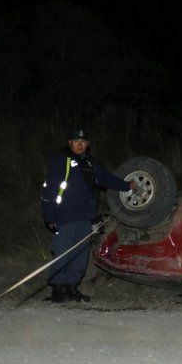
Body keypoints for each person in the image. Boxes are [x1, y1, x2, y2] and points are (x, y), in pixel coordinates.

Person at [41, 128, 136, 303]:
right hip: (64, 217)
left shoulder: (91, 163)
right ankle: (57, 289)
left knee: (80, 255)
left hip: (86, 218)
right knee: (62, 253)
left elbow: (106, 179)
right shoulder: (61, 161)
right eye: (76, 141)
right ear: (70, 142)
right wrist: (49, 216)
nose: (80, 144)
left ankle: (72, 287)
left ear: (88, 144)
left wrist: (127, 186)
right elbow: (49, 189)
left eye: (83, 142)